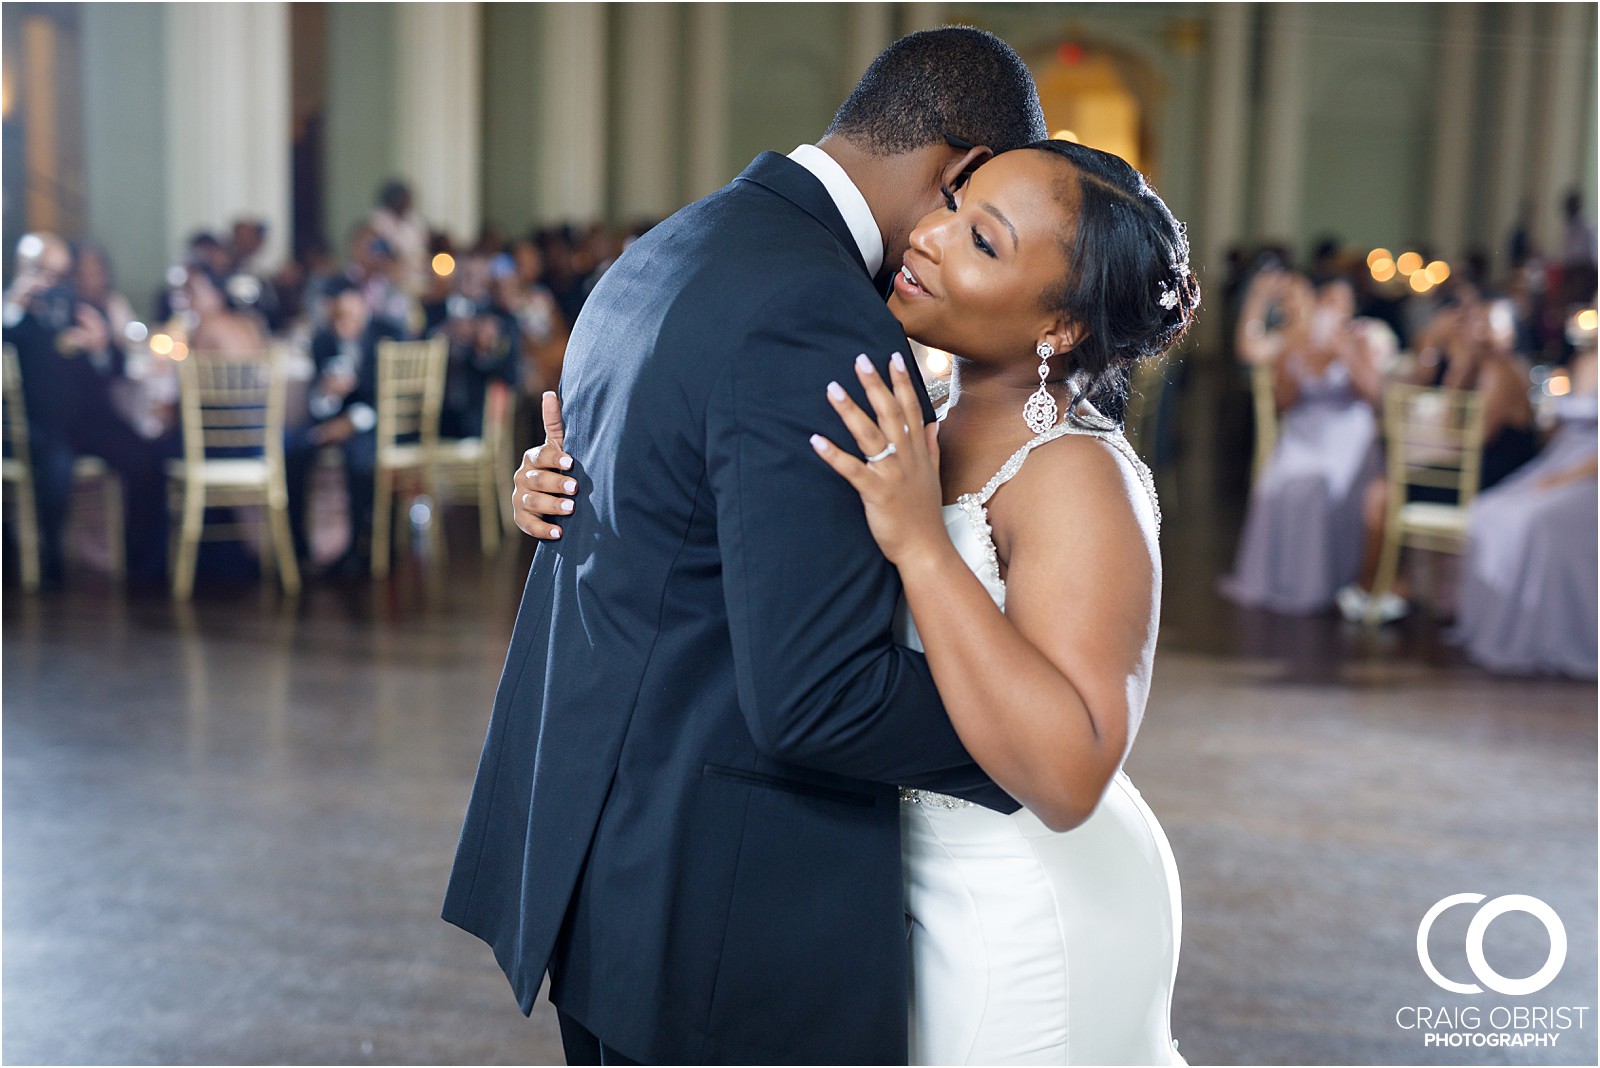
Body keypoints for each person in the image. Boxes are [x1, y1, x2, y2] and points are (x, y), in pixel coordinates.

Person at [505, 110, 1198, 1068]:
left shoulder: (1079, 476)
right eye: (959, 205)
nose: (931, 234)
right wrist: (571, 492)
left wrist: (922, 545)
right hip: (888, 878)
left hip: (1021, 895)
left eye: (983, 242)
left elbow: (1075, 769)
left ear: (1060, 324)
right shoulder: (913, 392)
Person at [444, 28, 1053, 1066]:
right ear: (955, 174)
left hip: (607, 862)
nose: (962, 244)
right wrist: (1039, 737)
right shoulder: (816, 313)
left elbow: (650, 509)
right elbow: (817, 694)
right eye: (982, 216)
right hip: (719, 905)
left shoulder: (679, 240)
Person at [1220, 271, 1385, 614]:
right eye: (1327, 300)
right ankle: (1283, 581)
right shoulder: (1294, 342)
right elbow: (1283, 403)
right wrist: (1296, 368)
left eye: (1339, 302)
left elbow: (1374, 395)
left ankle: (1329, 582)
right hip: (1304, 433)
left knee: (1319, 487)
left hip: (1347, 436)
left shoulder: (1361, 338)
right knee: (1275, 486)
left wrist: (1345, 354)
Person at [1451, 347, 1597, 677]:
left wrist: (1563, 478)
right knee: (1487, 511)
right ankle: (1496, 628)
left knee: (1536, 522)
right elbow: (1557, 423)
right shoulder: (1582, 362)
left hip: (1589, 476)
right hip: (1560, 460)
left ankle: (1545, 635)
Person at [284, 279, 401, 578]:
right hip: (335, 419)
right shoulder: (322, 340)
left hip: (381, 421)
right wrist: (328, 394)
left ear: (363, 305)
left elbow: (392, 396)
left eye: (350, 313)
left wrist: (351, 422)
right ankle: (298, 547)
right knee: (294, 449)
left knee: (360, 457)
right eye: (338, 316)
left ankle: (359, 548)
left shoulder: (388, 334)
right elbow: (318, 403)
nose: (344, 322)